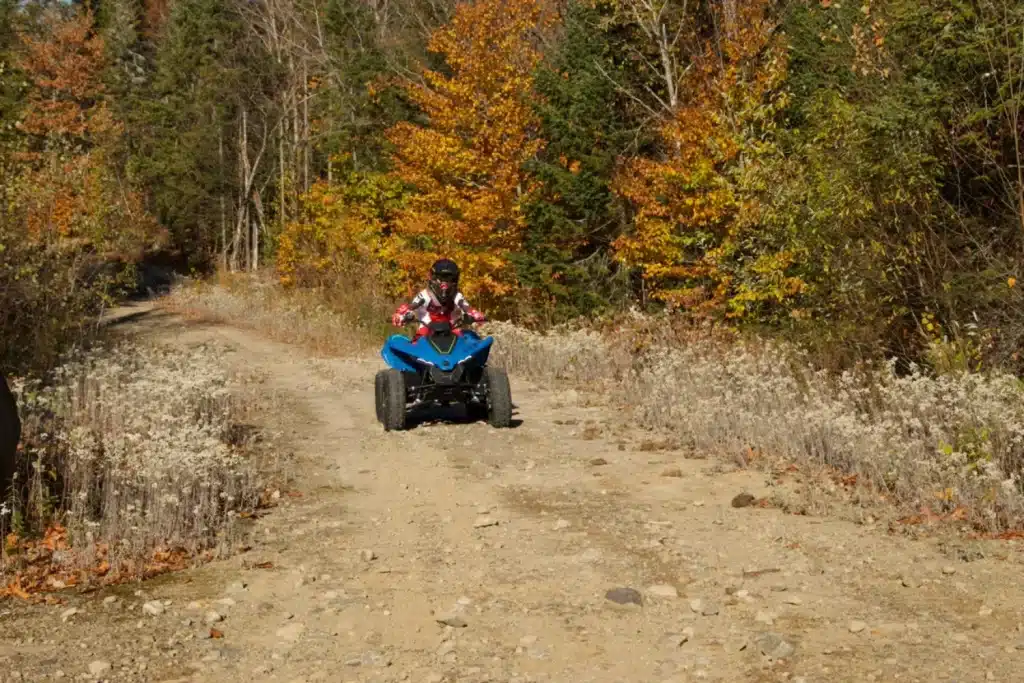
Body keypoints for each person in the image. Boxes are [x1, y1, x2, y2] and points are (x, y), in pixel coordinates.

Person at [392, 259, 486, 341]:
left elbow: (465, 306)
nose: (445, 284)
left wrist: (475, 314)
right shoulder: (425, 295)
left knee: (471, 339)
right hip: (426, 331)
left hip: (453, 330)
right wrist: (401, 315)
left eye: (449, 279)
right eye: (441, 278)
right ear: (433, 278)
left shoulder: (457, 295)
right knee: (417, 343)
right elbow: (412, 306)